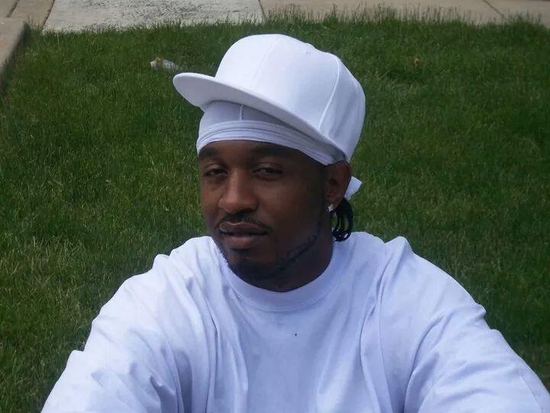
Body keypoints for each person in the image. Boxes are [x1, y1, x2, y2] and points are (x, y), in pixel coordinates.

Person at [43, 34, 549, 412]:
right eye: (215, 172)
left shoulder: (403, 301)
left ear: (332, 185)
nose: (233, 200)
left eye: (267, 171)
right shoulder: (170, 301)